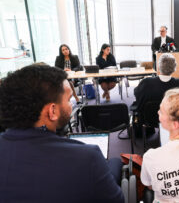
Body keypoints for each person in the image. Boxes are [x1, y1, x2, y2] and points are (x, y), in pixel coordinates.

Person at [0, 65, 124, 202]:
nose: (72, 104)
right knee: (115, 162)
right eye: (68, 99)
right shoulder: (87, 158)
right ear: (52, 111)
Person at [132, 53, 179, 136]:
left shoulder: (146, 83)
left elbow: (136, 94)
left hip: (149, 120)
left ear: (159, 67)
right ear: (174, 68)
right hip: (174, 119)